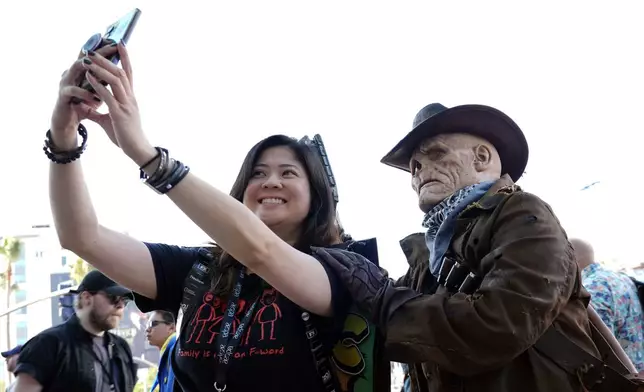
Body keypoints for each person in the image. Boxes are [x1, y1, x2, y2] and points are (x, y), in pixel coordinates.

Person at [45, 43, 381, 392]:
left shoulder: (346, 268)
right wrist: (63, 136)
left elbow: (260, 250)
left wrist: (149, 157)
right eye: (258, 173)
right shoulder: (200, 270)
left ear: (316, 197)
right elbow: (81, 237)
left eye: (289, 173)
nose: (271, 182)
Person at [312, 103, 644, 391]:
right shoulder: (426, 256)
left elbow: (500, 324)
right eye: (414, 167)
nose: (419, 171)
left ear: (481, 158)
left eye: (436, 153)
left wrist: (383, 298)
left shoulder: (521, 213)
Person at [12, 270, 137, 392]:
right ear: (86, 298)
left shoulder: (121, 348)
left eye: (124, 300)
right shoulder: (47, 344)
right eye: (113, 297)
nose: (120, 306)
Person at [571, 238, 644, 371]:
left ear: (572, 259)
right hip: (637, 370)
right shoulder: (620, 278)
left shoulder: (592, 289)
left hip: (624, 379)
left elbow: (599, 348)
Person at [146, 311, 177, 392]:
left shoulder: (176, 351)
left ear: (171, 328)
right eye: (147, 324)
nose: (147, 329)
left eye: (153, 324)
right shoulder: (168, 352)